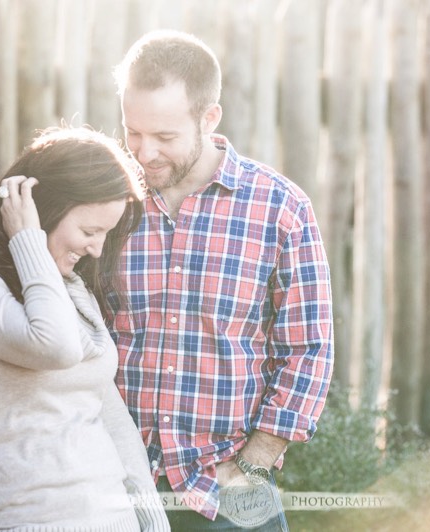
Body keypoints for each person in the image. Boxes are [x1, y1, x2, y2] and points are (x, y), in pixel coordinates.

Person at [108, 30, 334, 531]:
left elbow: (309, 347)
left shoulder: (279, 207)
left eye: (164, 137)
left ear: (209, 118)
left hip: (228, 496)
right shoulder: (109, 202)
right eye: (133, 133)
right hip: (116, 491)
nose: (143, 153)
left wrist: (251, 464)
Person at [0, 127, 170, 532]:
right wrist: (27, 239)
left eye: (106, 234)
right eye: (90, 231)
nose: (96, 248)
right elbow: (54, 348)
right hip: (20, 520)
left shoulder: (68, 289)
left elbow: (109, 415)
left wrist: (153, 520)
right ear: (44, 208)